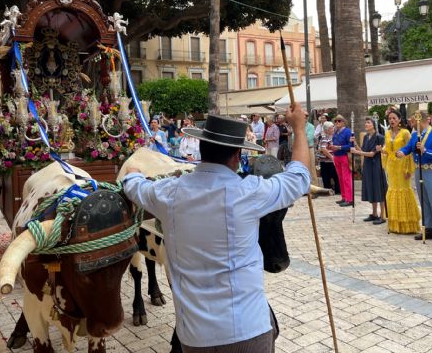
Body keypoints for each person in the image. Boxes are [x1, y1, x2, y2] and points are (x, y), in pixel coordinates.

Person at [122, 105, 311, 352]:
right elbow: (300, 176)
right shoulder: (250, 191)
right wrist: (298, 127)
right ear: (236, 156)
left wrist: (133, 173)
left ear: (200, 150)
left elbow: (134, 186)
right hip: (247, 331)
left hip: (194, 337)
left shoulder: (168, 193)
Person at [397, 111, 432, 245]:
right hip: (419, 170)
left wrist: (426, 151)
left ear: (422, 120)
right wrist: (402, 151)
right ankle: (428, 229)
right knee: (423, 200)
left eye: (414, 121)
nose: (412, 124)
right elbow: (409, 147)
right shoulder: (415, 135)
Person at [381, 109, 420, 234]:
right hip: (391, 166)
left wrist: (409, 168)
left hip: (403, 164)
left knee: (404, 190)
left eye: (394, 118)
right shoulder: (387, 133)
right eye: (390, 119)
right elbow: (387, 148)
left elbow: (410, 151)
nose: (392, 120)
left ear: (399, 120)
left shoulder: (405, 133)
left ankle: (408, 224)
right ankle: (394, 223)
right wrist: (382, 150)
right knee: (392, 190)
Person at [352, 117, 387, 224]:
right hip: (368, 166)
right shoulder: (366, 137)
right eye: (365, 122)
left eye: (368, 122)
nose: (366, 124)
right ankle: (374, 213)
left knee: (379, 189)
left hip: (376, 166)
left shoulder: (379, 137)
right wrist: (355, 144)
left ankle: (383, 215)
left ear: (373, 125)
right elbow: (363, 151)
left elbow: (372, 154)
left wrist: (357, 152)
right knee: (371, 188)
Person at [330, 115, 353, 207]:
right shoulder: (336, 132)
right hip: (336, 156)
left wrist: (339, 147)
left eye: (339, 121)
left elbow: (351, 145)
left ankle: (349, 198)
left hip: (344, 156)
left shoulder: (347, 132)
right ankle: (344, 197)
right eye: (335, 121)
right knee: (340, 178)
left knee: (346, 178)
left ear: (343, 122)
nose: (337, 123)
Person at [317, 122, 339, 195]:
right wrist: (332, 157)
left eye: (333, 127)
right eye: (331, 128)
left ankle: (338, 191)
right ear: (326, 129)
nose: (333, 129)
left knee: (336, 176)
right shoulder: (324, 137)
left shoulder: (335, 136)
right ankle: (327, 192)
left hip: (333, 160)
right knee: (326, 177)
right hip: (326, 161)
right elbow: (323, 149)